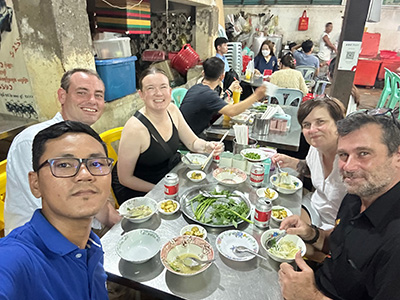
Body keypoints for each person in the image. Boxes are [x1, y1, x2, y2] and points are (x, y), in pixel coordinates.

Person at [279, 109, 400, 300]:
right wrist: (311, 232)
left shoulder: (394, 240)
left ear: (397, 156)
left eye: (363, 153)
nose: (349, 167)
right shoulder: (355, 196)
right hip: (318, 280)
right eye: (343, 155)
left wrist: (310, 296)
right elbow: (337, 244)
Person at [0, 121, 112, 299]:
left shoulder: (92, 244)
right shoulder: (17, 259)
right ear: (35, 184)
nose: (85, 174)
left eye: (96, 163)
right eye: (63, 165)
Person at [4, 68, 120, 235]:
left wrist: (118, 221)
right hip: (39, 241)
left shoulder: (87, 139)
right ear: (62, 96)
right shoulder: (34, 141)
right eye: (82, 92)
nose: (92, 100)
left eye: (99, 95)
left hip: (86, 227)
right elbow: (52, 212)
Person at [111, 67, 225, 204]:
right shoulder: (134, 129)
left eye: (163, 87)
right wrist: (161, 190)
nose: (158, 93)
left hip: (167, 176)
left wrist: (207, 146)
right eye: (150, 88)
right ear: (141, 94)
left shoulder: (172, 110)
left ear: (170, 91)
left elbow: (192, 142)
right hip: (141, 188)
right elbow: (125, 178)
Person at [272, 97, 347, 231]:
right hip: (312, 206)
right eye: (307, 125)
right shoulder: (315, 149)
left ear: (338, 124)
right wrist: (291, 162)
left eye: (320, 122)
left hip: (336, 227)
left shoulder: (350, 162)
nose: (312, 130)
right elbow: (312, 170)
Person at [180, 57, 266, 136]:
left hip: (183, 133)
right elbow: (232, 111)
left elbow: (218, 102)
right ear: (222, 77)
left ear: (203, 73)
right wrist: (256, 96)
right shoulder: (208, 94)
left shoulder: (196, 88)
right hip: (190, 137)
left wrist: (230, 89)